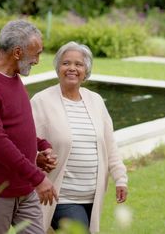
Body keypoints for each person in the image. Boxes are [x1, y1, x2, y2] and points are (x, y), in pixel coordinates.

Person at [0, 19, 58, 234]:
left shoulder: (13, 77)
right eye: (36, 54)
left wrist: (39, 148)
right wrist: (37, 177)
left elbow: (17, 128)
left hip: (24, 188)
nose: (37, 60)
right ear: (17, 52)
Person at [30, 41, 128, 233]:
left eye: (79, 64)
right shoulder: (41, 101)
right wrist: (37, 161)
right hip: (61, 197)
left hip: (92, 197)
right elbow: (24, 143)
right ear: (58, 67)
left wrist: (120, 178)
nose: (72, 68)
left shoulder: (96, 101)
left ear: (86, 70)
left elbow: (109, 145)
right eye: (66, 63)